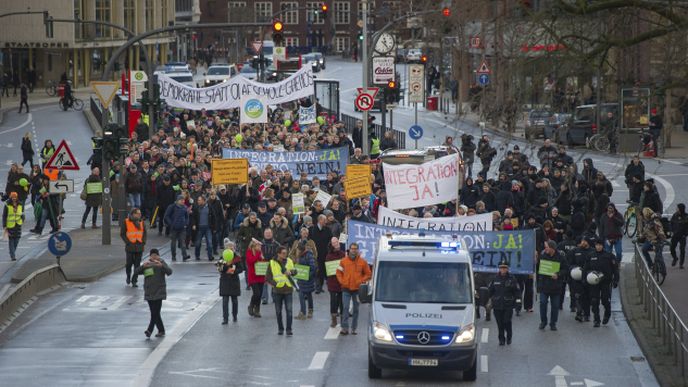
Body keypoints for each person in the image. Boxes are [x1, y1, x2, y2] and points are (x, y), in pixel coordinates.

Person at [336, 243, 371, 335]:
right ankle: (344, 328)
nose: (354, 250)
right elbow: (338, 272)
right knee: (346, 307)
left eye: (355, 249)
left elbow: (368, 274)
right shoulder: (343, 261)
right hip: (346, 288)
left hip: (357, 290)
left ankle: (354, 328)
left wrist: (361, 281)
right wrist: (342, 281)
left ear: (357, 250)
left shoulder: (363, 262)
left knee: (356, 309)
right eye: (352, 249)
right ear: (349, 249)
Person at [136, 249, 172, 338]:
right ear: (150, 256)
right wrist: (143, 266)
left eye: (156, 255)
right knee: (155, 313)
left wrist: (161, 266)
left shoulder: (161, 263)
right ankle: (161, 330)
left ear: (158, 256)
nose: (154, 257)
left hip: (159, 291)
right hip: (149, 292)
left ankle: (149, 330)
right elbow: (136, 272)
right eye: (152, 255)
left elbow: (169, 272)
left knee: (155, 312)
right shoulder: (147, 264)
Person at [585, 239, 618, 327]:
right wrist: (585, 279)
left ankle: (607, 314)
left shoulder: (609, 256)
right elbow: (586, 269)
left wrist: (615, 280)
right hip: (594, 282)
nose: (598, 247)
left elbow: (615, 269)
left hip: (605, 282)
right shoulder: (590, 255)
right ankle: (596, 320)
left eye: (600, 245)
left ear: (603, 246)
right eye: (597, 245)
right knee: (594, 301)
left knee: (605, 300)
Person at [537, 240, 567, 331]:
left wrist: (558, 274)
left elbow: (566, 269)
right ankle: (543, 321)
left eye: (547, 247)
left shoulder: (561, 257)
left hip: (555, 286)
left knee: (555, 306)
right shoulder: (543, 256)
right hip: (544, 285)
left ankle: (553, 323)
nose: (545, 249)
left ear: (552, 248)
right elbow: (538, 267)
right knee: (543, 303)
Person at [265, 246, 296, 336]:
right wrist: (275, 284)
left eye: (285, 253)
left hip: (288, 289)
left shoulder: (289, 261)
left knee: (289, 311)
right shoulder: (272, 263)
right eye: (283, 253)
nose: (285, 255)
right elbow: (268, 277)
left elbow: (295, 271)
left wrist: (292, 272)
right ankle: (280, 329)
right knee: (278, 311)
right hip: (278, 290)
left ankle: (289, 329)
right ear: (278, 254)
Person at [489, 260, 520, 345]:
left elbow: (517, 292)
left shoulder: (512, 278)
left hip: (508, 305)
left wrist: (518, 303)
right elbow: (490, 291)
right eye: (501, 268)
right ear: (499, 269)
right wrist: (487, 301)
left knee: (506, 321)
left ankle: (509, 335)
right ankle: (501, 339)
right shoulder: (494, 278)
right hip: (497, 305)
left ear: (507, 269)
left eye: (504, 268)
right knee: (499, 323)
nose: (503, 269)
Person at [120, 207, 147, 287]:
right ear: (133, 214)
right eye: (137, 213)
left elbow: (144, 233)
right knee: (129, 263)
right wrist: (127, 242)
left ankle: (134, 280)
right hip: (130, 246)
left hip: (139, 246)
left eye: (140, 213)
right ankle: (128, 276)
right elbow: (123, 233)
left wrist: (143, 242)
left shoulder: (141, 222)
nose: (139, 215)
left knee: (137, 265)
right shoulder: (126, 221)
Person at [219, 239, 243, 324]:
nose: (230, 249)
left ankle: (235, 316)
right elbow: (220, 269)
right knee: (225, 301)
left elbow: (241, 268)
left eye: (232, 247)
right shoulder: (222, 257)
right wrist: (226, 266)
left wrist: (234, 271)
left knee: (234, 300)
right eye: (229, 247)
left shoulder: (237, 258)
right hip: (225, 281)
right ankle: (225, 318)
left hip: (234, 281)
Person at [294, 238, 317, 320]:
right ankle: (310, 311)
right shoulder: (302, 255)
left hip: (307, 278)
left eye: (298, 250)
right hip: (302, 278)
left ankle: (303, 313)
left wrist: (307, 276)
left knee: (302, 294)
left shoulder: (308, 255)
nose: (297, 251)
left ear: (301, 250)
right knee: (308, 294)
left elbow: (313, 267)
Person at [326, 237, 345, 328]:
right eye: (334, 242)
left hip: (342, 283)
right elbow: (329, 270)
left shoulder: (343, 254)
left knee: (342, 302)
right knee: (333, 302)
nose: (336, 244)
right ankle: (334, 320)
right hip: (333, 283)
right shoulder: (329, 256)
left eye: (337, 242)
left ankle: (342, 319)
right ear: (332, 244)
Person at [163, 195, 190, 261]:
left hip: (182, 228)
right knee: (173, 243)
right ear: (178, 201)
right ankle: (173, 256)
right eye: (181, 200)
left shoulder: (184, 207)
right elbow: (166, 216)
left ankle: (184, 256)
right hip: (174, 228)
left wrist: (186, 224)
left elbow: (187, 217)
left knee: (183, 242)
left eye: (183, 200)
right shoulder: (172, 207)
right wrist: (171, 224)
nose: (183, 201)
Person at [246, 238, 265, 318]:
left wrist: (262, 258)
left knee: (260, 294)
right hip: (253, 276)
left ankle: (257, 310)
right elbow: (251, 261)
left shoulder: (260, 252)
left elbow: (262, 262)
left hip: (260, 275)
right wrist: (258, 254)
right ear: (254, 245)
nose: (259, 247)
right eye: (258, 245)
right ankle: (251, 305)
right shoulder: (249, 252)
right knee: (256, 293)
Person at [191, 195, 215, 261]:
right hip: (199, 228)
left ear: (204, 201)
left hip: (208, 228)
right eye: (198, 200)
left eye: (199, 200)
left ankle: (210, 256)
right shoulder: (196, 208)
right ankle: (197, 255)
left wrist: (214, 227)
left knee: (209, 243)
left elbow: (213, 217)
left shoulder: (209, 207)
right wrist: (193, 224)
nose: (198, 201)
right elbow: (193, 217)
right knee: (198, 243)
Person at [3, 192, 24, 261]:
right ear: (10, 197)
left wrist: (22, 219)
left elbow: (22, 213)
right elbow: (4, 216)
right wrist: (4, 225)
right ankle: (13, 255)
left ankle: (12, 252)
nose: (14, 199)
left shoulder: (20, 204)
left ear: (17, 197)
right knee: (11, 240)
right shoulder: (7, 205)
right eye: (12, 197)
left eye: (15, 197)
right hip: (10, 225)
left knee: (17, 240)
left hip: (18, 224)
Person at [670, 203, 688, 269]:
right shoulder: (675, 215)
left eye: (677, 208)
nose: (676, 209)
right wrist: (671, 231)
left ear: (680, 209)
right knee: (672, 248)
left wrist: (685, 234)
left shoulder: (686, 217)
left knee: (682, 250)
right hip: (675, 235)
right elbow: (671, 223)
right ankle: (675, 258)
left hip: (682, 236)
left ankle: (681, 264)